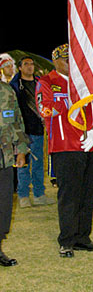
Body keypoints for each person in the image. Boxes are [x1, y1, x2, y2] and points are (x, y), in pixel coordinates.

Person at [36, 44, 93, 257]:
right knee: (69, 195)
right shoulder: (47, 82)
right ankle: (66, 240)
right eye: (66, 59)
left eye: (72, 59)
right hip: (65, 147)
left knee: (87, 193)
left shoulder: (86, 82)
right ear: (54, 60)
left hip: (89, 143)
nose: (70, 63)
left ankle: (83, 237)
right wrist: (68, 103)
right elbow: (43, 109)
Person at [10, 55, 55, 207]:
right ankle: (23, 195)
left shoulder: (39, 83)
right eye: (26, 64)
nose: (30, 66)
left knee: (38, 163)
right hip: (21, 131)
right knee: (23, 163)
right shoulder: (14, 86)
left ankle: (39, 194)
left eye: (31, 64)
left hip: (37, 129)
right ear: (20, 67)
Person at [0, 79, 29, 266]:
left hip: (5, 158)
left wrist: (21, 149)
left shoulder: (6, 90)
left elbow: (17, 120)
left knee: (3, 205)